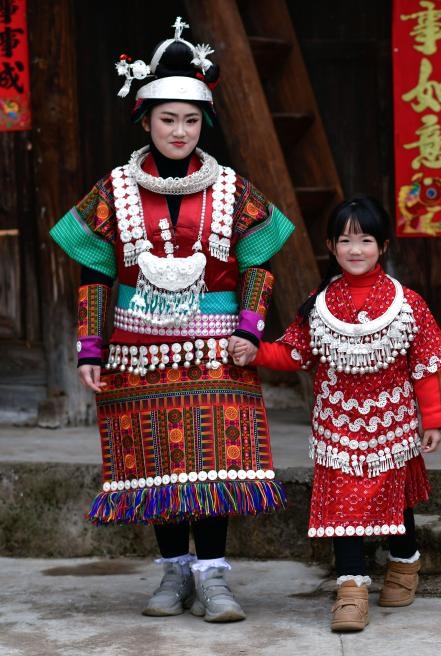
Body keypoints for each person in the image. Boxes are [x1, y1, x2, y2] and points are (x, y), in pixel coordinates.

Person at [49, 18, 295, 622]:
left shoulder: (235, 189)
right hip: (138, 346)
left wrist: (249, 329)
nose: (179, 131)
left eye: (190, 119)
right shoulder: (113, 189)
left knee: (214, 460)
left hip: (217, 348)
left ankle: (213, 578)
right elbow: (95, 273)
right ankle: (172, 575)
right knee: (156, 456)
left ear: (203, 122)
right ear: (145, 120)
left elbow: (258, 265)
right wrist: (89, 346)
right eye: (167, 119)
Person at [247, 195, 441, 633]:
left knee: (394, 501)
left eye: (365, 240)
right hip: (336, 425)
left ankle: (404, 563)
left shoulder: (407, 303)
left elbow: (424, 367)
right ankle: (351, 589)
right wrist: (254, 352)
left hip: (392, 425)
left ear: (383, 245)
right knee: (343, 504)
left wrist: (431, 419)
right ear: (331, 246)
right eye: (345, 240)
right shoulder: (317, 302)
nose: (355, 249)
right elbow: (295, 354)